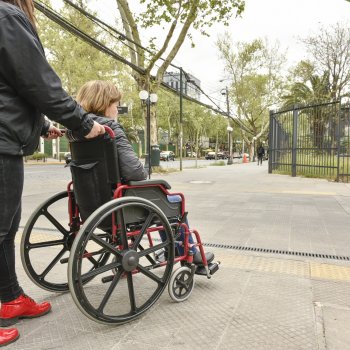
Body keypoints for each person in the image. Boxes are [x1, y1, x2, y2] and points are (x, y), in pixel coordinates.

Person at [0, 1, 105, 347]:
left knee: (6, 228)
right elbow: (40, 84)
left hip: (7, 138)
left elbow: (12, 88)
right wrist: (82, 122)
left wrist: (43, 126)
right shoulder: (7, 15)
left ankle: (10, 297)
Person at [68, 80, 214, 265]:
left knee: (160, 198)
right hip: (117, 205)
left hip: (90, 207)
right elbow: (135, 174)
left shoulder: (77, 131)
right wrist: (143, 169)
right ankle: (188, 251)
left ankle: (170, 248)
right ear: (105, 105)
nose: (117, 110)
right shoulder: (110, 129)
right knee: (172, 200)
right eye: (116, 105)